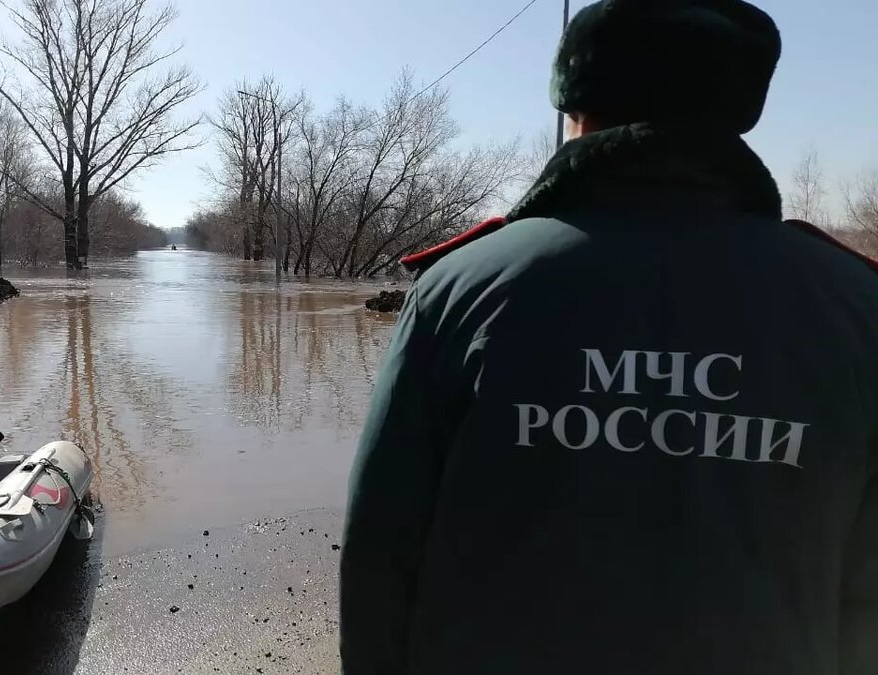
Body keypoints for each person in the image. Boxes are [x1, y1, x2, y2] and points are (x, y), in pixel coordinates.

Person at [340, 1, 878, 673]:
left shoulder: (461, 289)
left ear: (576, 114)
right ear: (736, 116)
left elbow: (381, 550)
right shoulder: (856, 307)